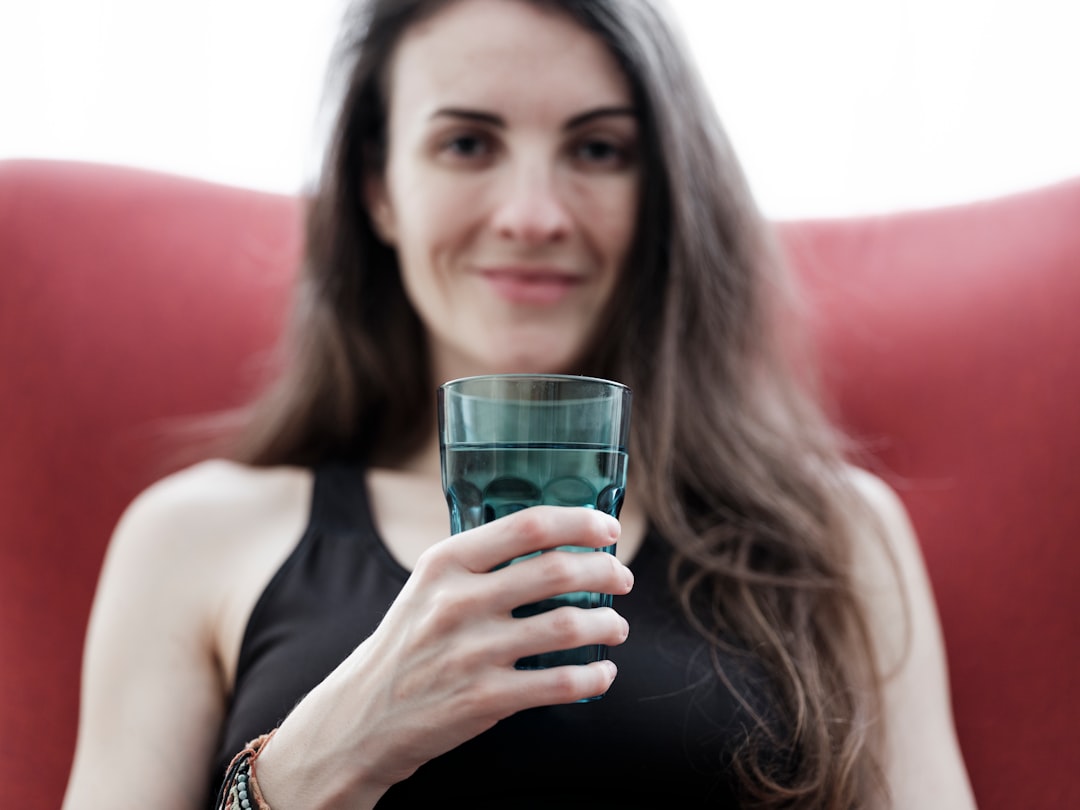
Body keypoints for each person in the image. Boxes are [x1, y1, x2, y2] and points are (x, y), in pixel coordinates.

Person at [62, 0, 977, 807]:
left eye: (597, 149)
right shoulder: (193, 535)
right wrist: (302, 774)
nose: (534, 215)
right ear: (380, 191)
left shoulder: (833, 530)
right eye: (467, 143)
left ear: (659, 195)